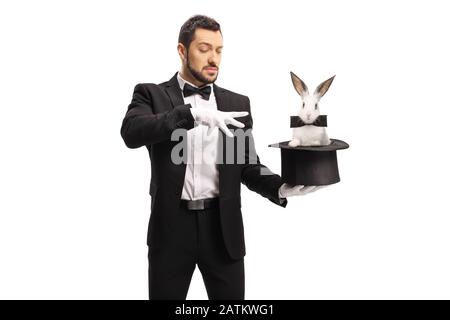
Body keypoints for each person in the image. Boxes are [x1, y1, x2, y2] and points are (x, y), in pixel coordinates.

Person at [120, 14, 325, 300]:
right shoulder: (151, 95)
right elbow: (132, 132)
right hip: (171, 229)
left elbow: (246, 165)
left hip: (222, 230)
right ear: (182, 50)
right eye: (204, 49)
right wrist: (190, 115)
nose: (213, 58)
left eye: (218, 50)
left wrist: (278, 186)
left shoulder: (235, 104)